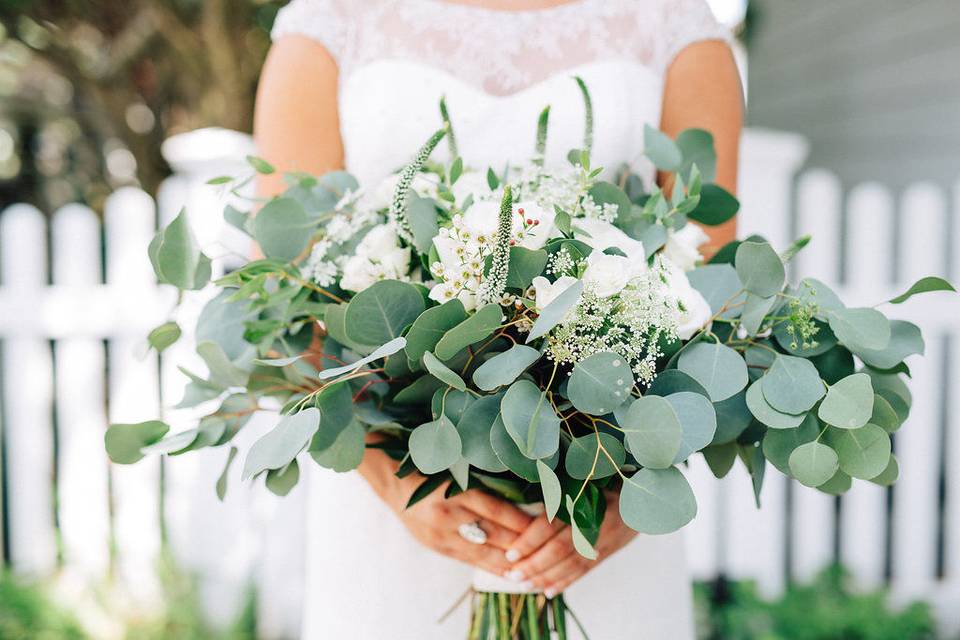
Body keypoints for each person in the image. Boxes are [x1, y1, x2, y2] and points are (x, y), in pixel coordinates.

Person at [254, 1, 742, 637]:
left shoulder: (673, 24)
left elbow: (710, 295)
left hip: (595, 508)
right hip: (396, 512)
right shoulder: (332, 22)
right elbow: (284, 303)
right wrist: (386, 476)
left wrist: (628, 495)